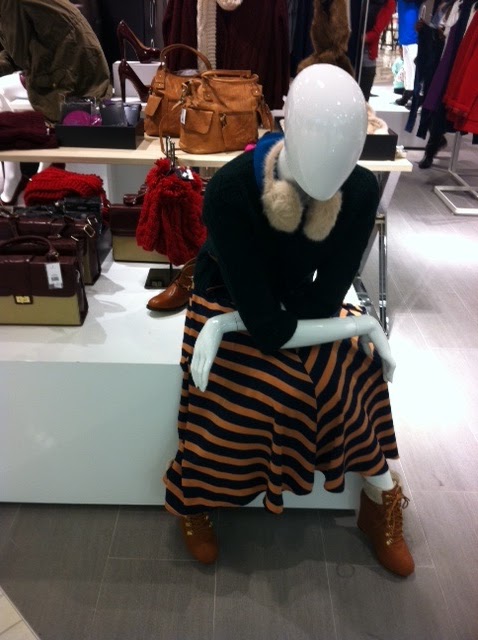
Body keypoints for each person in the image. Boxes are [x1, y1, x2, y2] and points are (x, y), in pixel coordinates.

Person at [163, 63, 415, 578]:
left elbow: (321, 304)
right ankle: (193, 499)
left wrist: (362, 328)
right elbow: (266, 326)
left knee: (353, 373)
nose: (332, 165)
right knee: (240, 394)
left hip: (294, 303)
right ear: (286, 129)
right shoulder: (231, 192)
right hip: (228, 291)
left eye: (345, 149)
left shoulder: (358, 191)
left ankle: (380, 496)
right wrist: (225, 323)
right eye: (319, 140)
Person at [0, 0, 112, 205]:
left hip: (68, 72)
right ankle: (19, 180)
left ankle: (18, 182)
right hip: (76, 63)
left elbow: (18, 53)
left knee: (1, 91)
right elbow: (15, 50)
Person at [359, 0, 396, 102]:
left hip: (366, 53)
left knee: (363, 98)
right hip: (351, 50)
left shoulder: (389, 3)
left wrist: (362, 38)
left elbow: (376, 31)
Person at [395, 0, 421, 106]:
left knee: (414, 67)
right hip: (405, 33)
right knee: (408, 67)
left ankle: (415, 95)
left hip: (414, 35)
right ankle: (408, 92)